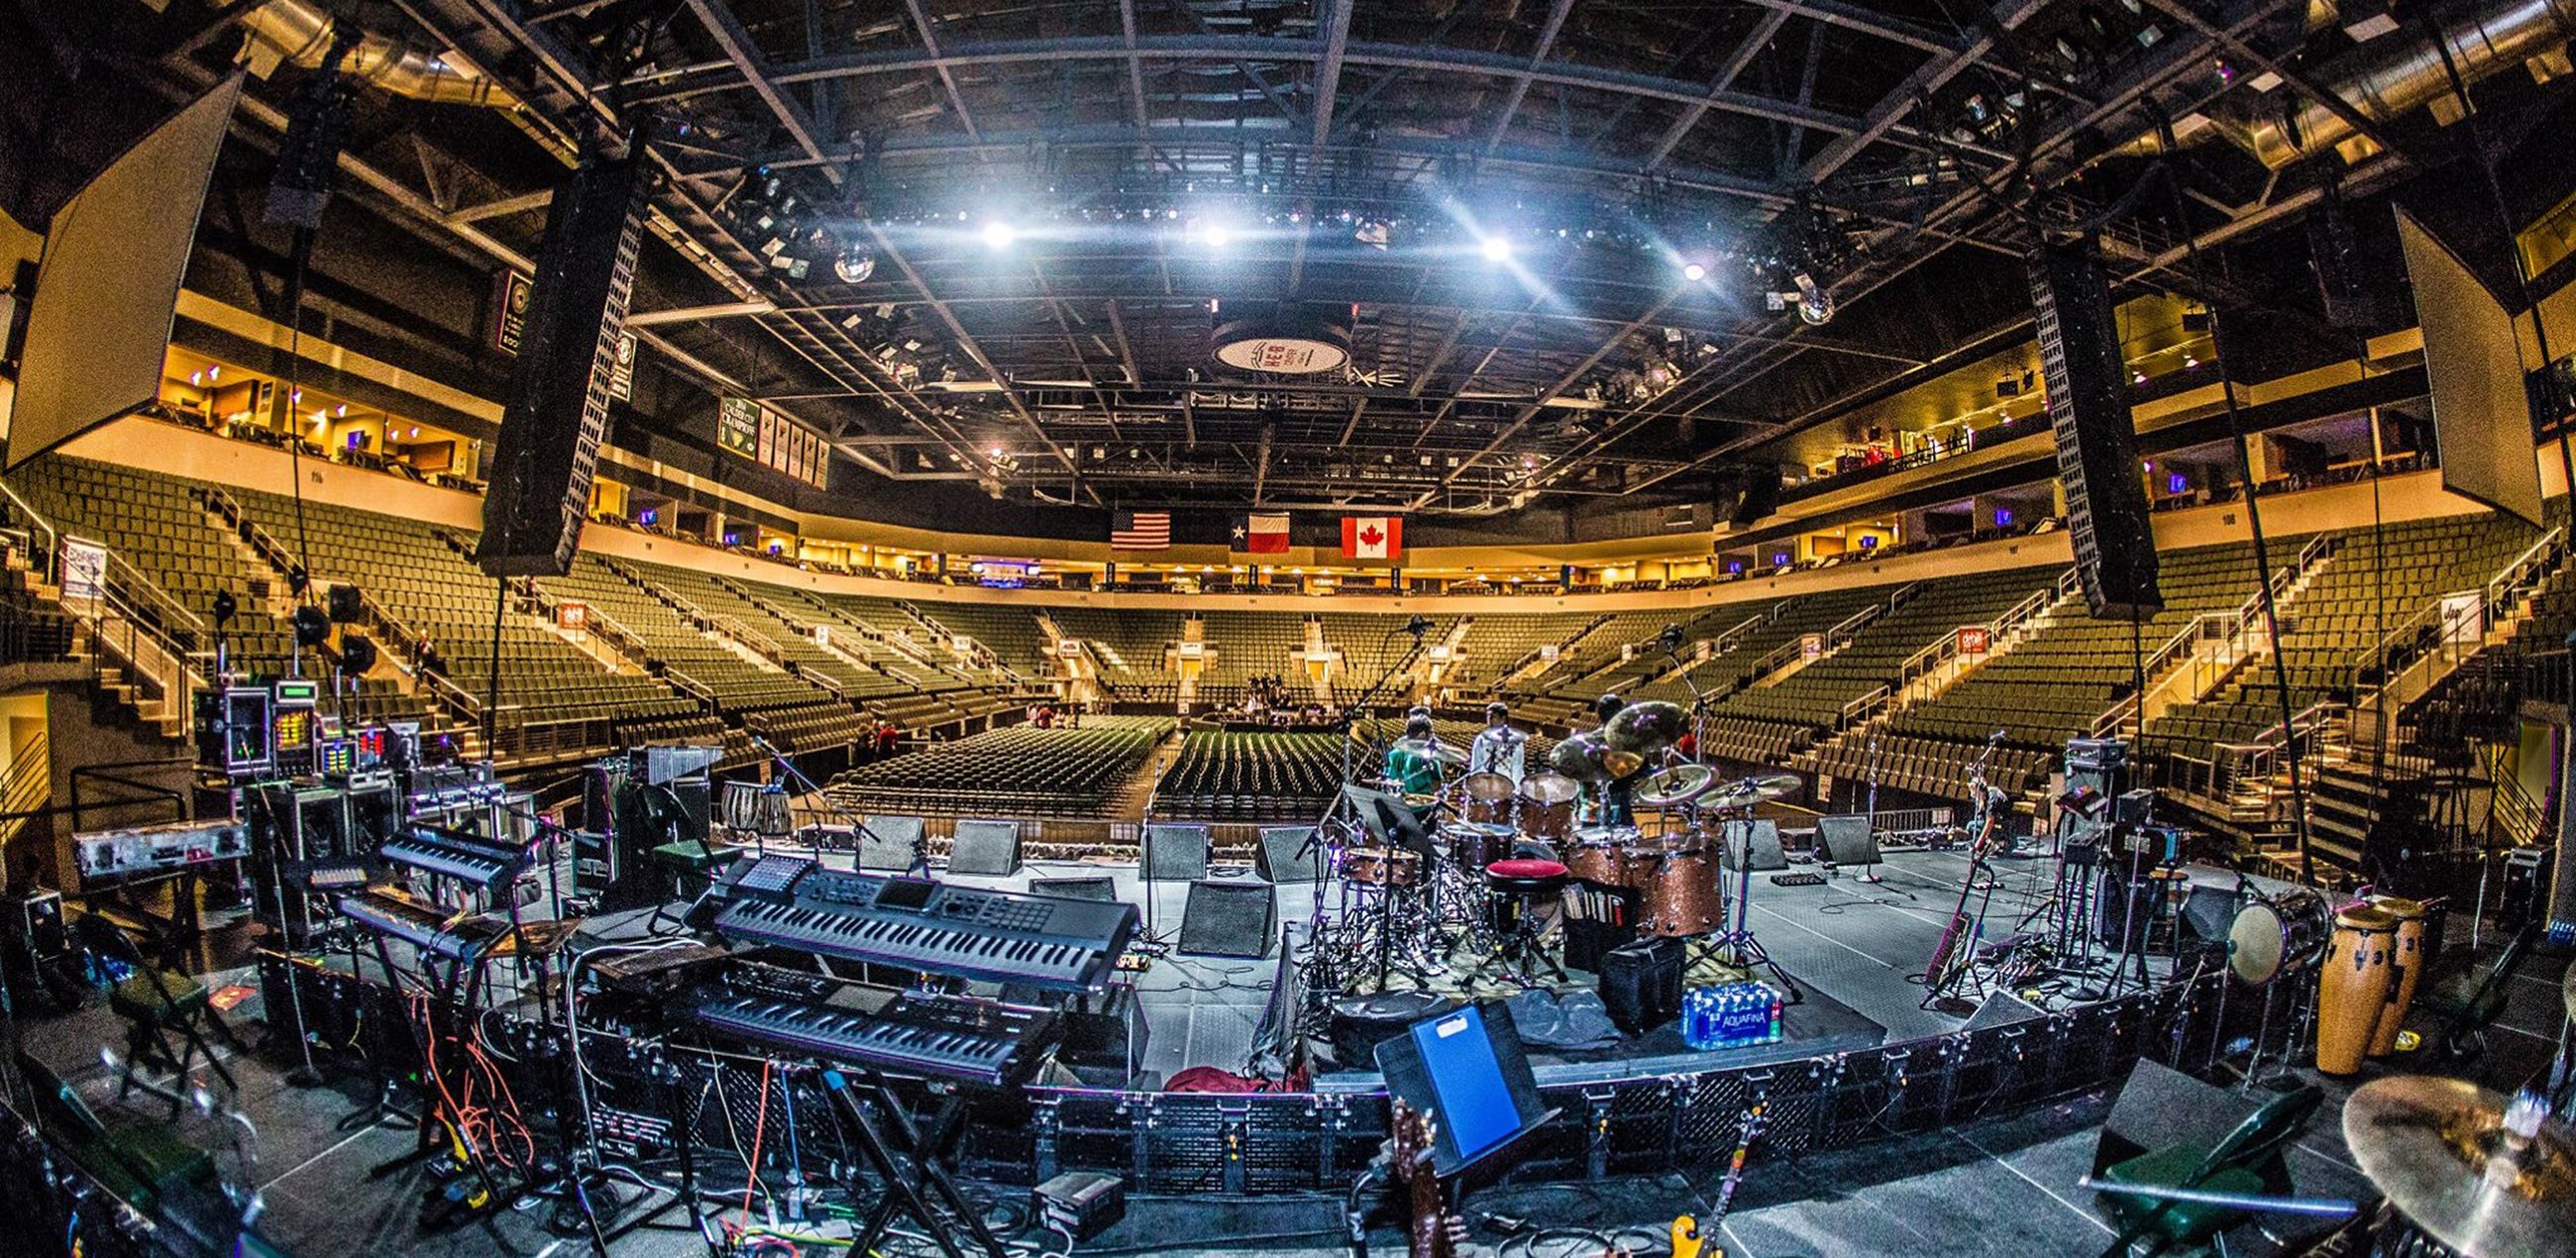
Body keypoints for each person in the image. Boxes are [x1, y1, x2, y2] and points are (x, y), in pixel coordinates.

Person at [1383, 710, 1448, 797]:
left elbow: (1387, 781)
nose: (1433, 735)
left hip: (1396, 802)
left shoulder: (1394, 753)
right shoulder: (1432, 759)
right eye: (1431, 732)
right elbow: (1435, 787)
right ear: (1422, 734)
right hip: (1422, 805)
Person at [1466, 699, 1527, 783]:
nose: (1489, 720)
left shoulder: (1516, 741)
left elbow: (1517, 768)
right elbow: (1476, 765)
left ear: (1503, 718)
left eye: (1492, 717)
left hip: (1506, 785)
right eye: (1488, 716)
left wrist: (1515, 789)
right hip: (1485, 786)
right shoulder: (1481, 739)